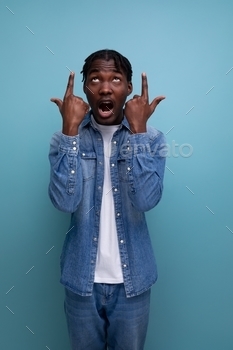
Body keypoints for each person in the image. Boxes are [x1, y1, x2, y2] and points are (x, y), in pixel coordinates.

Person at [48, 49, 166, 350]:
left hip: (133, 282)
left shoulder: (152, 139)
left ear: (128, 88)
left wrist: (138, 132)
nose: (105, 87)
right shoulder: (64, 138)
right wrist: (70, 132)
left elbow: (147, 200)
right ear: (86, 88)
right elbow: (64, 202)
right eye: (95, 78)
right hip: (81, 282)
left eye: (115, 79)